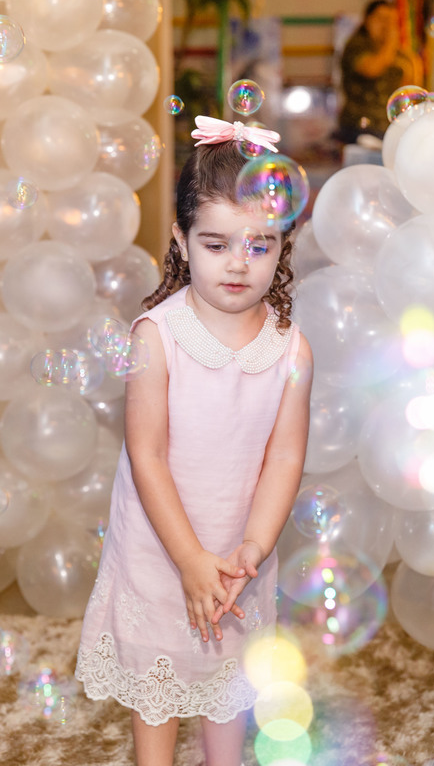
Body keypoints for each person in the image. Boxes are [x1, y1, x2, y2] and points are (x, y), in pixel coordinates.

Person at [74, 118, 314, 766]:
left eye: (260, 245)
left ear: (283, 245)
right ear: (182, 241)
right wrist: (187, 558)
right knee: (158, 682)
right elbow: (146, 455)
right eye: (216, 243)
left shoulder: (291, 350)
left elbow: (284, 456)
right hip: (162, 546)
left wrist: (253, 549)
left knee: (226, 680)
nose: (239, 262)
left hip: (238, 550)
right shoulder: (157, 337)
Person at [337, 0, 419, 142]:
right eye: (382, 19)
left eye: (392, 21)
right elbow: (371, 69)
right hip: (359, 127)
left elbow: (408, 89)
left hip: (390, 127)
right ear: (367, 20)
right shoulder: (357, 45)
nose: (387, 26)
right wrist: (391, 42)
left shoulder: (400, 54)